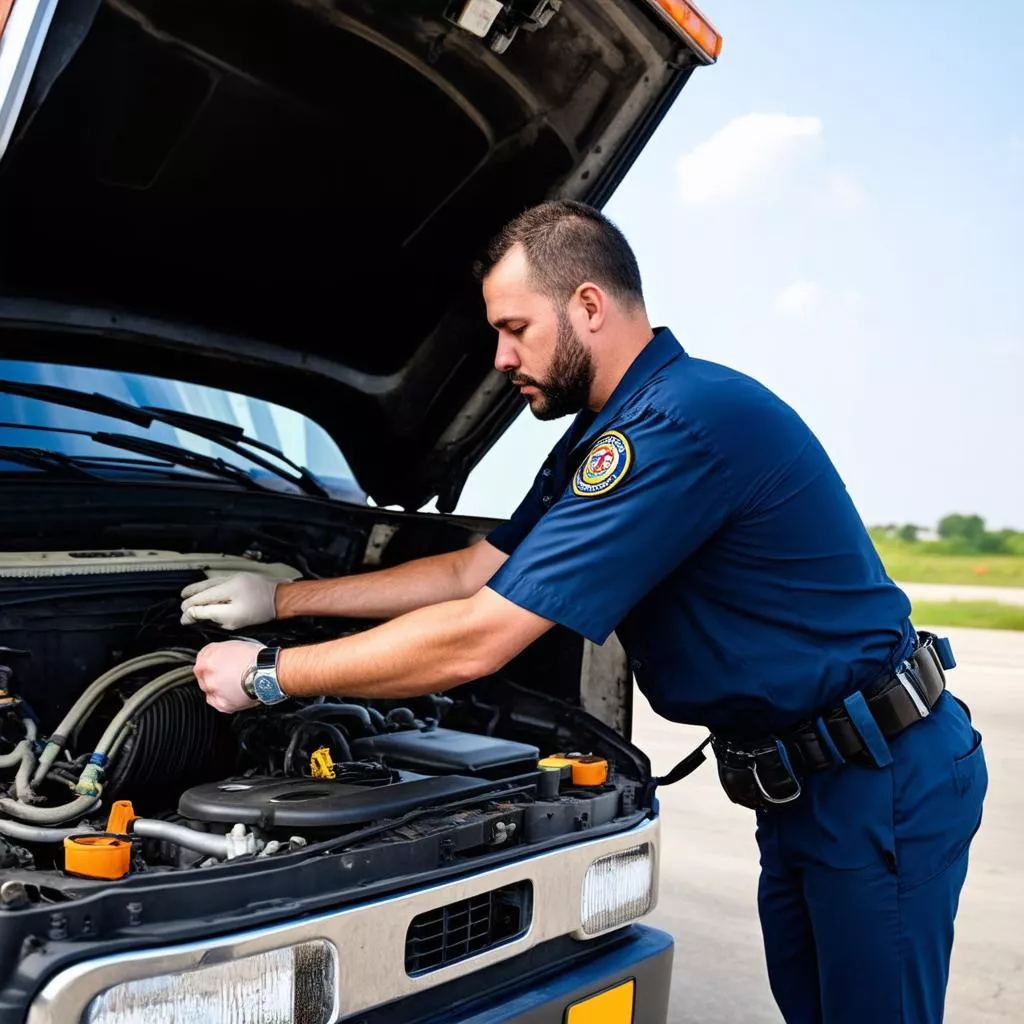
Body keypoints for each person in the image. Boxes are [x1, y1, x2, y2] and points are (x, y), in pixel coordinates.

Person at [183, 200, 987, 1023]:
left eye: (515, 328)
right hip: (811, 782)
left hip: (877, 776)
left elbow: (479, 639)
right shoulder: (604, 435)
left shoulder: (675, 424)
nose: (499, 358)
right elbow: (472, 570)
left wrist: (272, 676)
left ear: (589, 307)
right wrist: (280, 599)